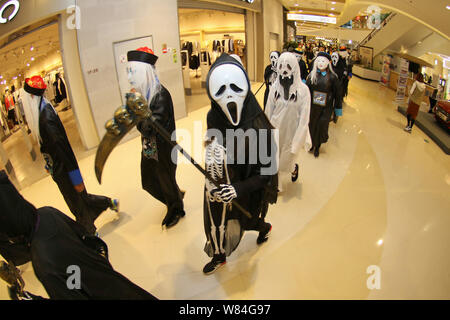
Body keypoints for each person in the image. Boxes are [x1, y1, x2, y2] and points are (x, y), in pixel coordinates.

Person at [0, 170, 156, 300]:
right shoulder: (47, 213)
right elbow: (86, 238)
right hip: (110, 280)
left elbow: (71, 291)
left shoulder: (43, 262)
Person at [202, 54, 278, 274]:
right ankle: (219, 255)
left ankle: (265, 227)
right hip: (221, 180)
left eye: (235, 88)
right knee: (216, 222)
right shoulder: (213, 115)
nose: (228, 96)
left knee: (247, 220)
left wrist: (237, 189)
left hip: (247, 186)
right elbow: (211, 141)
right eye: (220, 90)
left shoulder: (260, 126)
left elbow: (266, 173)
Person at [22, 76, 118, 235]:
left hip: (65, 170)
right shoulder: (42, 112)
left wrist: (76, 177)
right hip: (60, 168)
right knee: (81, 199)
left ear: (32, 97)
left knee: (76, 203)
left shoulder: (46, 118)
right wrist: (49, 165)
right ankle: (109, 202)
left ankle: (90, 235)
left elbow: (63, 150)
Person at [127, 47, 185, 228]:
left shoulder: (160, 96)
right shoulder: (146, 94)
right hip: (151, 148)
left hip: (164, 151)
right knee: (149, 182)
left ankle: (176, 208)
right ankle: (174, 195)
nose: (130, 77)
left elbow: (148, 128)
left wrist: (136, 111)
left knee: (164, 180)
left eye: (132, 72)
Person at [265, 52, 312, 190]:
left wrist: (298, 141)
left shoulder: (303, 91)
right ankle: (277, 184)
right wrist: (264, 132)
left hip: (292, 130)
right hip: (275, 127)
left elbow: (304, 118)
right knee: (275, 158)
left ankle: (293, 168)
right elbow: (268, 111)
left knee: (288, 159)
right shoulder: (274, 88)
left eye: (288, 66)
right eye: (281, 66)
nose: (284, 70)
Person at [306, 52, 341, 158]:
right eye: (319, 61)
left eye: (323, 61)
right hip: (313, 107)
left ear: (328, 63)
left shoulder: (333, 77)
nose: (321, 63)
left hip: (326, 107)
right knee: (312, 125)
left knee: (322, 126)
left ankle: (318, 146)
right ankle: (311, 144)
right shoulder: (311, 76)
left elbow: (338, 94)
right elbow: (306, 91)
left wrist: (337, 110)